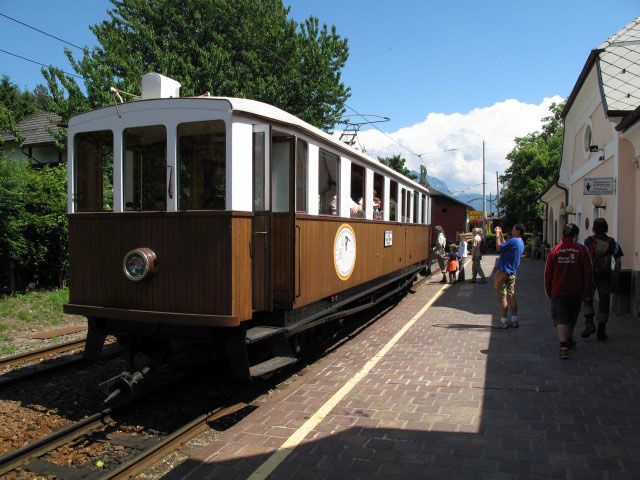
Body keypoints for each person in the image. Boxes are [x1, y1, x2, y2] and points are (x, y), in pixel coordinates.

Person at [545, 223, 594, 360]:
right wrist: (588, 289)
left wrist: (549, 290)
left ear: (562, 235)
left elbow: (548, 273)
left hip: (558, 290)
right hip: (576, 290)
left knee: (561, 318)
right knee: (572, 317)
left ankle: (563, 347)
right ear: (576, 235)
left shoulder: (555, 250)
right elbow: (588, 272)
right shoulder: (581, 249)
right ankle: (569, 339)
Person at [581, 218, 624, 341]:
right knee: (604, 303)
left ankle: (589, 322)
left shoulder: (588, 241)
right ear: (606, 228)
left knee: (587, 299)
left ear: (594, 228)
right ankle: (601, 331)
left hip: (590, 276)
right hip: (605, 276)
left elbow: (583, 258)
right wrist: (615, 275)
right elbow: (619, 261)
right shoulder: (612, 242)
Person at [494, 224, 525, 328]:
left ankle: (503, 322)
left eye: (513, 230)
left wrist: (497, 235)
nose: (511, 232)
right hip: (512, 272)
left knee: (502, 297)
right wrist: (502, 236)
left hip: (502, 272)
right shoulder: (520, 242)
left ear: (518, 231)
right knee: (511, 296)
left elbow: (498, 248)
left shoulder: (513, 240)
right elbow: (504, 246)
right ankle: (514, 320)